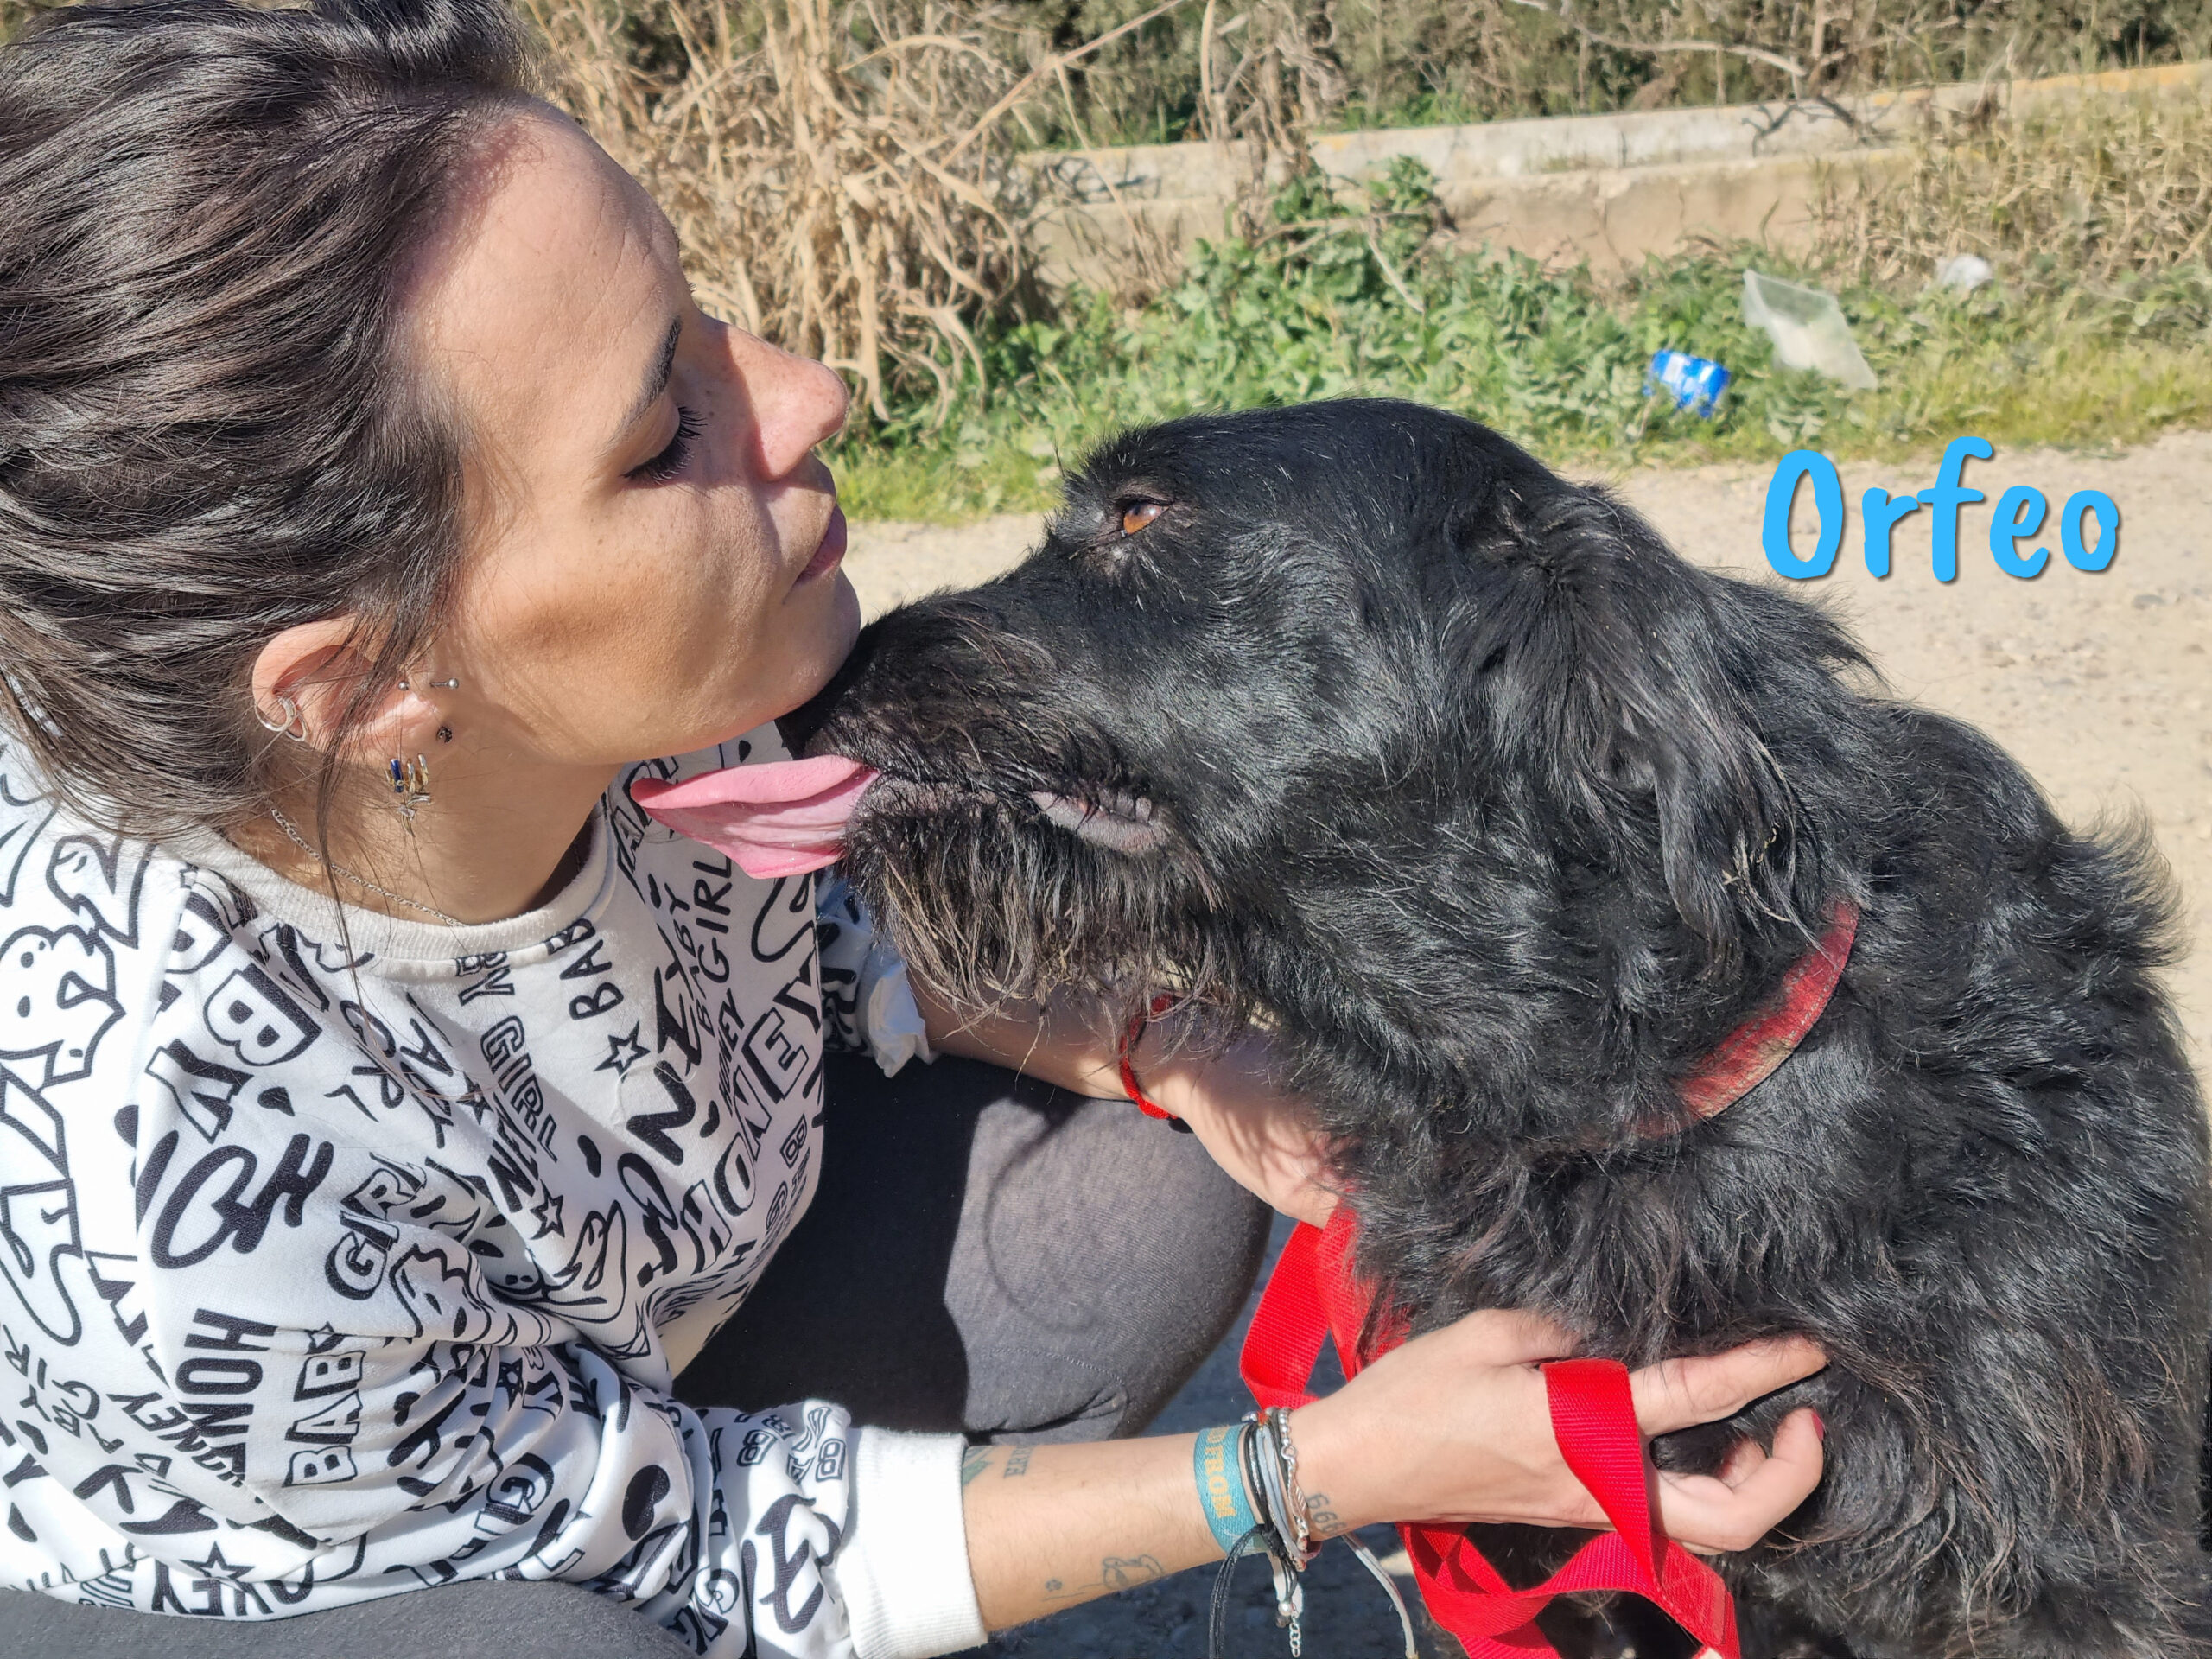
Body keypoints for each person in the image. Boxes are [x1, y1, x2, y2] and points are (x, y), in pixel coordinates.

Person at [0, 1, 1829, 1655]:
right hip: (307, 1574)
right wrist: (1315, 1471)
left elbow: (809, 927)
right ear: (366, 686)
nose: (809, 394)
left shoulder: (634, 694)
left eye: (701, 317)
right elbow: (695, 1547)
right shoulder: (180, 1177)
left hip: (639, 1334)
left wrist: (1156, 1048)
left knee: (1141, 1181)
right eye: (661, 436)